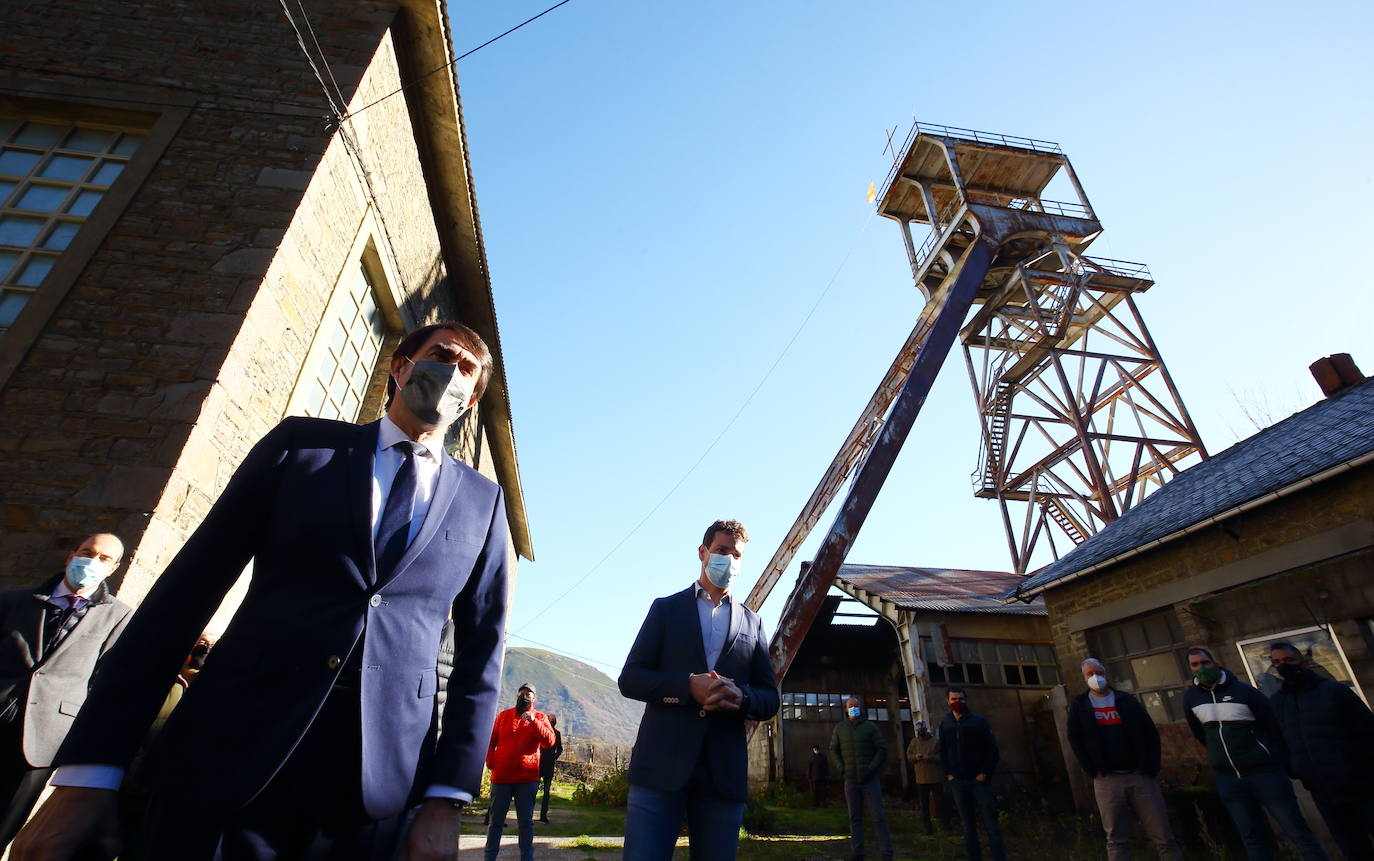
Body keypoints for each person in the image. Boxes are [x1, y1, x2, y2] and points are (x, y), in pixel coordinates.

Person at [13, 322, 513, 861]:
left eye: (468, 371)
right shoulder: (302, 448)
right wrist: (92, 771)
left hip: (372, 797)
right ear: (400, 367)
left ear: (471, 401)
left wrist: (445, 798)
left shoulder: (483, 502)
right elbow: (180, 600)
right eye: (442, 356)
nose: (452, 374)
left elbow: (482, 656)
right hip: (224, 757)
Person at [618, 519, 780, 860]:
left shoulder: (753, 622)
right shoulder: (665, 609)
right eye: (722, 551)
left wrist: (742, 697)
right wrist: (686, 685)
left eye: (736, 555)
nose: (729, 560)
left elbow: (769, 699)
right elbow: (631, 678)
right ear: (703, 552)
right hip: (660, 769)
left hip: (723, 775)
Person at [0, 533, 133, 849]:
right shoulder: (13, 601)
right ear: (71, 555)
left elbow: (103, 680)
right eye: (87, 552)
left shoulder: (118, 616)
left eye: (103, 558)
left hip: (44, 735)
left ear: (113, 568)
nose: (91, 561)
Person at [1184, 647, 1328, 861]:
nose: (1201, 668)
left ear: (1215, 663)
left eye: (1204, 663)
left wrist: (1273, 759)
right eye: (1195, 665)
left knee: (1297, 831)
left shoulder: (1245, 692)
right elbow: (1201, 733)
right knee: (1251, 837)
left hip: (1264, 773)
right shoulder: (1191, 698)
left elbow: (1272, 727)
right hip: (1229, 778)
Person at [1067, 658, 1184, 860]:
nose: (1096, 677)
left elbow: (1150, 733)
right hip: (1107, 779)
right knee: (1115, 839)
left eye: (1099, 672)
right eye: (1090, 674)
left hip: (1140, 776)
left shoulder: (1126, 701)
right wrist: (1091, 768)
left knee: (1164, 836)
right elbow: (1075, 738)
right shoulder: (1080, 705)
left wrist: (1151, 765)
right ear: (1084, 677)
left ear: (1106, 674)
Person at [1267, 641, 1374, 860]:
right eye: (1277, 662)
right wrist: (1295, 768)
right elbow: (1279, 740)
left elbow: (1367, 729)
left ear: (1303, 663)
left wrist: (1359, 765)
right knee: (1353, 848)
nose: (1283, 666)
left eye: (1288, 660)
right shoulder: (1278, 702)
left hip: (1360, 784)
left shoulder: (1333, 691)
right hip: (1321, 789)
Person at [484, 683, 554, 861]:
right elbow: (491, 741)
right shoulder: (503, 716)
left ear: (534, 698)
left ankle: (526, 858)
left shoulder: (540, 717)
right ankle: (489, 858)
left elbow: (549, 742)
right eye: (522, 693)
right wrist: (492, 762)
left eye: (529, 694)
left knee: (525, 823)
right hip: (501, 778)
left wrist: (534, 722)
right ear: (516, 695)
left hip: (527, 778)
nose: (525, 696)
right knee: (496, 822)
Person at [939, 687, 1005, 861]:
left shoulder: (978, 722)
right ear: (948, 701)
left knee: (991, 824)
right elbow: (943, 751)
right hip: (958, 782)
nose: (957, 702)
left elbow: (992, 751)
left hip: (978, 781)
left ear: (965, 700)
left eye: (960, 699)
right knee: (967, 826)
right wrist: (948, 774)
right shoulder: (945, 723)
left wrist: (985, 773)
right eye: (953, 699)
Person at [831, 695, 893, 861]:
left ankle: (887, 852)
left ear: (860, 708)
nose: (853, 707)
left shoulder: (870, 728)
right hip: (850, 780)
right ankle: (857, 852)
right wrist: (842, 768)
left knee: (878, 816)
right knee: (854, 817)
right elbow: (833, 750)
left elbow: (882, 749)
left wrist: (871, 768)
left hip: (870, 780)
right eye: (850, 705)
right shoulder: (840, 728)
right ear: (845, 709)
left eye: (855, 705)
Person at [905, 720, 942, 836]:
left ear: (926, 730)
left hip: (935, 777)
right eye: (918, 730)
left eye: (922, 730)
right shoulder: (914, 742)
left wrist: (929, 758)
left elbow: (941, 757)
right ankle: (928, 828)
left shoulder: (935, 741)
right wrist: (916, 757)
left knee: (940, 803)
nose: (921, 732)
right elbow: (909, 756)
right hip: (921, 778)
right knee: (924, 805)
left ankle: (944, 826)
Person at [538, 713, 563, 823]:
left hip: (547, 764)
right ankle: (533, 814)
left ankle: (543, 815)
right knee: (534, 790)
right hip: (539, 764)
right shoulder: (542, 731)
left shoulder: (557, 733)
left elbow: (560, 748)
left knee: (546, 792)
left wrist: (554, 757)